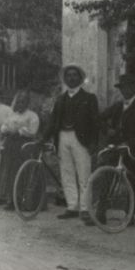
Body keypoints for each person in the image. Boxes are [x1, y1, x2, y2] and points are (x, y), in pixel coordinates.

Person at [42, 64, 99, 222]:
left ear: (80, 79)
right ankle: (72, 206)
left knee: (84, 173)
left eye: (75, 75)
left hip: (81, 139)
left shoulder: (89, 98)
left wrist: (94, 142)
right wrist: (43, 138)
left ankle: (85, 208)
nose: (71, 78)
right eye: (68, 76)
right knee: (66, 173)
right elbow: (53, 122)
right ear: (64, 79)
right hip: (62, 137)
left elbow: (95, 123)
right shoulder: (60, 99)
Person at [97, 74, 135, 226]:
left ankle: (130, 214)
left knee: (133, 179)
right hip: (116, 147)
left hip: (133, 149)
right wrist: (107, 130)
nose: (125, 90)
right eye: (122, 88)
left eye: (128, 87)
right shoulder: (117, 106)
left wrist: (129, 143)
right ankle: (100, 212)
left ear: (134, 88)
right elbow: (99, 118)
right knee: (106, 174)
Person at [0, 90, 41, 209]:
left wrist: (19, 130)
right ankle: (9, 198)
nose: (20, 104)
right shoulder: (12, 114)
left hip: (23, 145)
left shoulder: (32, 115)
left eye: (23, 101)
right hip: (10, 144)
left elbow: (33, 131)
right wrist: (6, 130)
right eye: (19, 101)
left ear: (27, 102)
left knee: (21, 171)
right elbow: (4, 126)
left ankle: (20, 199)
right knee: (8, 171)